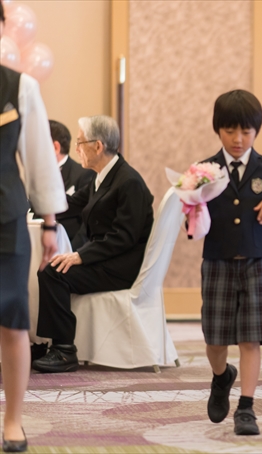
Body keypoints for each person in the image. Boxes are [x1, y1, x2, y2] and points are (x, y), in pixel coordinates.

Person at [32, 115, 154, 373]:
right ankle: (47, 342)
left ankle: (64, 349)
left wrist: (80, 256)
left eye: (80, 143)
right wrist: (34, 211)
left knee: (53, 272)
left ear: (97, 146)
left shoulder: (128, 181)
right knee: (50, 268)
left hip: (121, 266)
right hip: (106, 258)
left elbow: (123, 237)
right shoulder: (101, 177)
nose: (76, 149)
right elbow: (69, 205)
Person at [199, 90, 262, 436]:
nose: (238, 139)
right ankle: (221, 377)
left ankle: (247, 408)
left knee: (251, 339)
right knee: (215, 339)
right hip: (217, 260)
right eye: (230, 131)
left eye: (246, 132)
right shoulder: (204, 170)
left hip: (256, 261)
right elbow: (193, 223)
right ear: (217, 129)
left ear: (256, 131)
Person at [1, 2, 68, 450]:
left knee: (12, 321)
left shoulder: (19, 86)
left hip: (4, 216)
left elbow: (40, 158)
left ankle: (13, 421)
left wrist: (49, 223)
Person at [49, 119, 95, 240]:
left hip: (69, 245)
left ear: (55, 147)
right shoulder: (32, 176)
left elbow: (86, 223)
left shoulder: (84, 174)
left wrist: (72, 252)